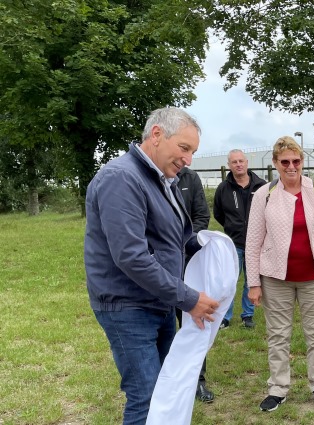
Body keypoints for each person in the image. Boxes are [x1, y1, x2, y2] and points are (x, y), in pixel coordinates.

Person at [85, 107, 219, 424]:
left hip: (158, 303)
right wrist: (189, 299)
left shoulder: (162, 181)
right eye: (184, 148)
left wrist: (209, 248)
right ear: (157, 135)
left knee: (167, 392)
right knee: (146, 400)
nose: (188, 160)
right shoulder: (121, 178)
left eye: (193, 152)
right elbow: (132, 255)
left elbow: (174, 238)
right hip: (128, 307)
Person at [245, 136, 314, 412]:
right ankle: (278, 388)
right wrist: (253, 283)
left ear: (302, 162)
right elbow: (253, 241)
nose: (291, 166)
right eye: (285, 161)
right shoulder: (263, 195)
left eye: (296, 161)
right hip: (276, 279)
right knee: (278, 335)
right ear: (275, 164)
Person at [213, 149, 267, 328]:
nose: (238, 165)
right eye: (234, 162)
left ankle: (247, 315)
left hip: (256, 243)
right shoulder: (223, 188)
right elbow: (218, 214)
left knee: (251, 281)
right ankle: (225, 317)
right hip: (233, 243)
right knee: (229, 282)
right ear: (229, 165)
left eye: (241, 161)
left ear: (247, 163)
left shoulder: (261, 186)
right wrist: (232, 227)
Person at [175, 166, 215, 402]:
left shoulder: (190, 177)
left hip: (187, 265)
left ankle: (198, 380)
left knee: (193, 323)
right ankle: (167, 379)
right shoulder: (145, 178)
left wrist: (186, 243)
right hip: (155, 266)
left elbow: (202, 216)